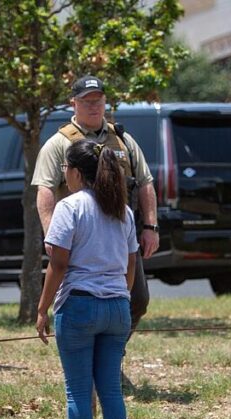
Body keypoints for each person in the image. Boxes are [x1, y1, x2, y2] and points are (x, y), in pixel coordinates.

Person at [37, 139, 139, 419]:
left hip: (79, 305)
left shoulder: (70, 207)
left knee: (78, 392)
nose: (64, 174)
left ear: (77, 172)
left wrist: (42, 307)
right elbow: (130, 265)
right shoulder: (122, 210)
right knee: (110, 390)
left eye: (66, 168)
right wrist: (120, 297)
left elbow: (59, 263)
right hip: (116, 308)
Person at [33, 75, 158, 338]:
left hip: (119, 233)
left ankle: (113, 353)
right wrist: (50, 233)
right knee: (80, 299)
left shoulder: (123, 139)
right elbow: (45, 190)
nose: (93, 106)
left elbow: (145, 182)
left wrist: (150, 226)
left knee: (137, 299)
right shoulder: (59, 143)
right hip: (80, 236)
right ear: (73, 104)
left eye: (98, 100)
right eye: (86, 101)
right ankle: (91, 358)